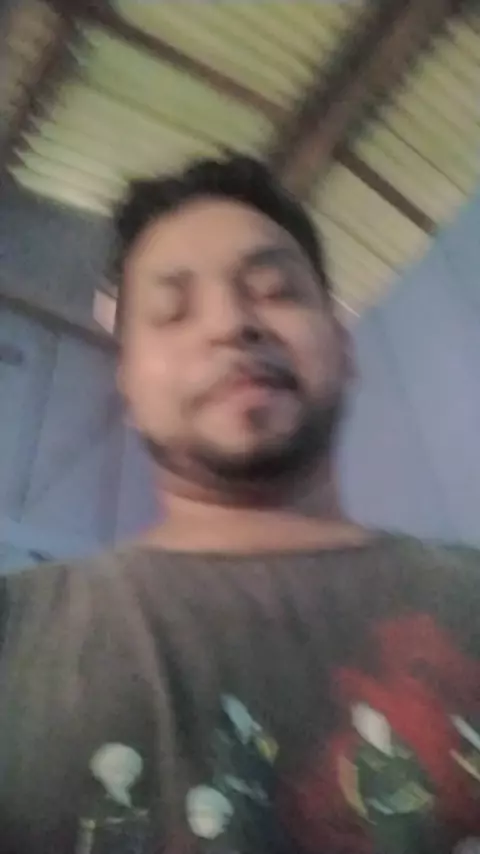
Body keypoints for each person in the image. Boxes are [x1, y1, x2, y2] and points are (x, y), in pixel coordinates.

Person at [0, 155, 479, 854]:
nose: (230, 323)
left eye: (275, 291)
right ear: (127, 383)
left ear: (343, 347)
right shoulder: (15, 634)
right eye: (173, 311)